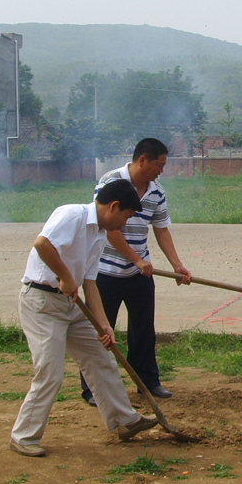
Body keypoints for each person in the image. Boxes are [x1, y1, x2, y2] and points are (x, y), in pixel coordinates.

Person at [11, 180, 159, 457]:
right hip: (42, 303)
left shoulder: (101, 234)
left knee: (101, 358)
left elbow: (90, 284)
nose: (124, 225)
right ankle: (23, 436)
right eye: (125, 217)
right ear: (113, 206)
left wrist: (103, 324)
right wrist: (66, 277)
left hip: (74, 305)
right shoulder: (72, 214)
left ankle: (124, 421)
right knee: (50, 372)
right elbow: (42, 244)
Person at [81, 138, 191, 407]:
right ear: (143, 159)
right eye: (159, 165)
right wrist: (136, 260)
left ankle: (147, 381)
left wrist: (177, 264)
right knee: (100, 331)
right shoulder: (111, 181)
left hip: (140, 274)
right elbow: (109, 227)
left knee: (143, 330)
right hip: (105, 272)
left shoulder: (157, 192)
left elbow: (161, 229)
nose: (161, 171)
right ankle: (93, 388)